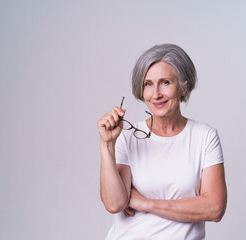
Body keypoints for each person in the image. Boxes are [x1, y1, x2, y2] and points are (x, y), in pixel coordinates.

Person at [97, 43, 227, 240]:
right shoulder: (127, 136)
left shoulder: (205, 137)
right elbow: (115, 204)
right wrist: (107, 145)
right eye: (148, 84)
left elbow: (214, 208)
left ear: (184, 86)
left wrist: (146, 203)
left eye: (165, 82)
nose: (156, 94)